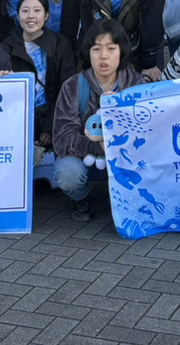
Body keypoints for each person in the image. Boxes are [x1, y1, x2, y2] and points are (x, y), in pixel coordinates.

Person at [53, 19, 143, 222]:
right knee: (67, 173)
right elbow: (62, 139)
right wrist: (99, 146)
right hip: (86, 159)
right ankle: (81, 199)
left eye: (111, 48)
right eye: (96, 49)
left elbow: (149, 131)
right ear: (88, 53)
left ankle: (130, 200)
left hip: (126, 159)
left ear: (122, 51)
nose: (104, 55)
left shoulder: (137, 84)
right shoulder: (73, 86)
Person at [1, 0, 76, 181]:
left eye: (37, 10)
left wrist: (50, 127)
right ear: (18, 15)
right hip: (20, 120)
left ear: (46, 15)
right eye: (25, 11)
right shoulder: (6, 47)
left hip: (52, 115)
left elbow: (67, 89)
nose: (31, 16)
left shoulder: (60, 44)